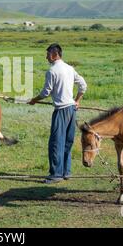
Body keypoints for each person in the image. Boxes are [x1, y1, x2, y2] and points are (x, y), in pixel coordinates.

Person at [28, 43, 87, 184]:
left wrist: (34, 100)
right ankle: (66, 172)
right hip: (72, 110)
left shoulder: (52, 71)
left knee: (56, 143)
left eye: (47, 54)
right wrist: (77, 101)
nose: (46, 57)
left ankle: (55, 174)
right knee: (67, 141)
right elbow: (83, 85)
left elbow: (46, 92)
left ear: (55, 55)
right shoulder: (70, 68)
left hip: (61, 111)